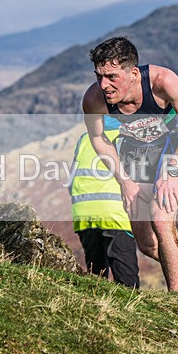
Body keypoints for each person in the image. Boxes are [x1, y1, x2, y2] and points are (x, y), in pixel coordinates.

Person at [82, 36, 178, 292]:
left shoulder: (162, 82)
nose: (104, 84)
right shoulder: (94, 99)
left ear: (132, 73)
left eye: (111, 77)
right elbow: (98, 138)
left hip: (174, 147)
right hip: (136, 153)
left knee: (162, 219)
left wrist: (172, 169)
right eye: (99, 76)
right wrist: (124, 181)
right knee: (147, 244)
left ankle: (176, 300)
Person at [70, 118, 140, 288]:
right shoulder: (129, 137)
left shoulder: (85, 138)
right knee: (126, 282)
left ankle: (97, 309)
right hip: (115, 214)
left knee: (96, 275)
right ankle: (129, 311)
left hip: (83, 214)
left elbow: (71, 180)